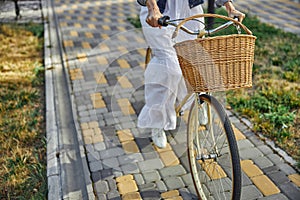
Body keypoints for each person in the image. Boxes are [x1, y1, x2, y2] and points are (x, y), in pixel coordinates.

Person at [137, 0, 245, 148]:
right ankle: (157, 121)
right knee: (169, 68)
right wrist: (153, 8)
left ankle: (197, 102)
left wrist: (230, 8)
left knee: (195, 61)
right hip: (160, 9)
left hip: (190, 8)